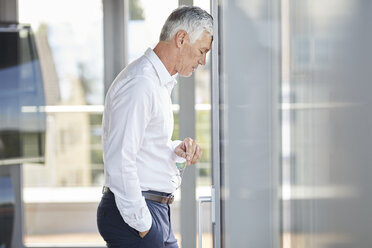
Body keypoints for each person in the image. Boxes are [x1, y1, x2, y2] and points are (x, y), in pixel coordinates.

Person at [96, 5, 213, 248]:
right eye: (202, 51)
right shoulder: (141, 84)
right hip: (137, 214)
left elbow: (141, 146)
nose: (203, 60)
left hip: (151, 211)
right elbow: (120, 158)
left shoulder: (157, 83)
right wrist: (144, 226)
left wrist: (174, 149)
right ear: (181, 39)